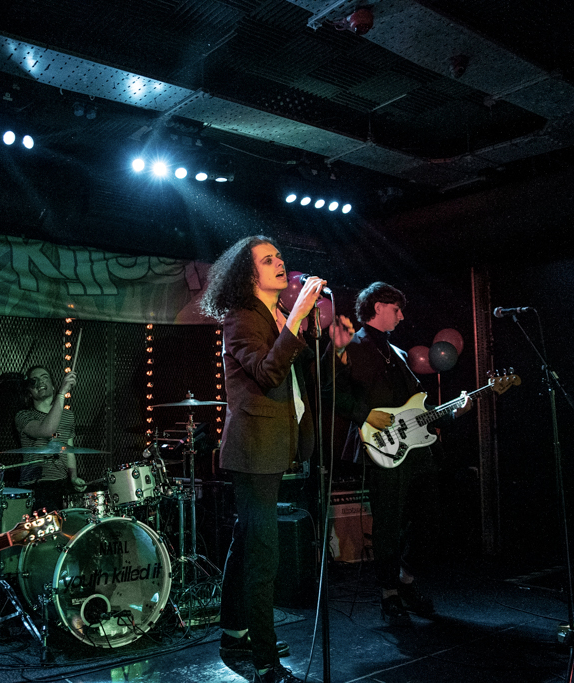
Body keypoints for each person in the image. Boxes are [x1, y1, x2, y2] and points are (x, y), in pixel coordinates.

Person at [199, 235, 353, 683]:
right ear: (249, 275)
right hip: (253, 449)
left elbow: (304, 379)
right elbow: (267, 373)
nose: (280, 263)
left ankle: (234, 632)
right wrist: (297, 318)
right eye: (268, 260)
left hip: (279, 443)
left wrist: (329, 341)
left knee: (247, 541)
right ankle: (265, 662)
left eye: (280, 256)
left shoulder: (279, 315)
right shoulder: (242, 317)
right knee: (263, 554)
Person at [327, 282, 470, 626]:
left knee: (429, 519)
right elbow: (331, 391)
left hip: (417, 451)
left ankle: (405, 578)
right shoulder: (350, 346)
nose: (402, 316)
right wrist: (365, 414)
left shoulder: (401, 355)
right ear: (377, 307)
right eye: (396, 309)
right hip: (381, 448)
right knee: (388, 522)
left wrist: (452, 412)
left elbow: (418, 412)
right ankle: (389, 592)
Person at [14, 365, 85, 510]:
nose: (40, 382)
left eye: (44, 378)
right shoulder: (23, 416)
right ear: (29, 392)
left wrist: (73, 477)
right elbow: (46, 430)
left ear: (53, 386)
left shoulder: (68, 415)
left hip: (61, 483)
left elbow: (69, 450)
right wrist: (62, 393)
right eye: (34, 381)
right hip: (36, 485)